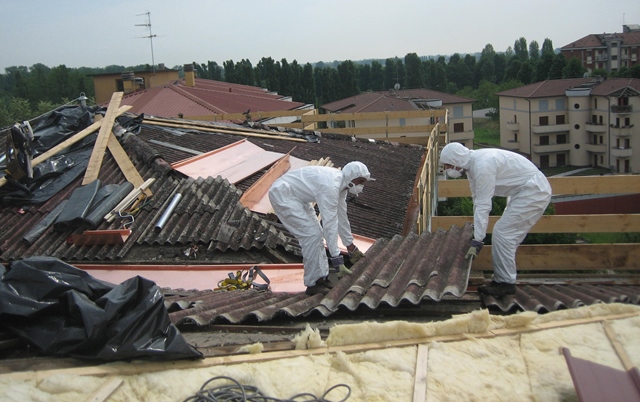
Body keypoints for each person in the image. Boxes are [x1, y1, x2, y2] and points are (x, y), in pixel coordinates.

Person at [439, 143, 552, 297]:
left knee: (503, 234)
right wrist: (477, 232)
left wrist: (478, 239)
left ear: (456, 160)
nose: (446, 169)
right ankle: (501, 280)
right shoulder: (473, 167)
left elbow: (484, 204)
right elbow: (477, 199)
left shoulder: (482, 165)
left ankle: (506, 283)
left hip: (533, 191)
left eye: (447, 164)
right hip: (524, 191)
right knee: (504, 235)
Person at [268, 162, 373, 296]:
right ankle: (313, 283)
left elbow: (341, 216)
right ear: (351, 176)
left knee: (317, 235)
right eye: (360, 181)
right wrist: (336, 258)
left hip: (299, 199)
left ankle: (321, 278)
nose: (361, 186)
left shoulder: (342, 186)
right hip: (283, 194)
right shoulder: (331, 186)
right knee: (311, 236)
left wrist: (350, 246)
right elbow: (330, 222)